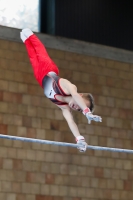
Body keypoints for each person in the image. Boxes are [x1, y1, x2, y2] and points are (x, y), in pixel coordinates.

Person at [20, 28, 102, 152]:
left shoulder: (64, 107)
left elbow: (71, 122)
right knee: (40, 53)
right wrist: (86, 112)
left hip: (40, 78)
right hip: (48, 69)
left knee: (32, 57)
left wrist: (80, 139)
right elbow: (74, 95)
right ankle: (31, 36)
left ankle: (26, 41)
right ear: (80, 96)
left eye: (79, 110)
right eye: (80, 104)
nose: (77, 108)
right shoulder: (69, 87)